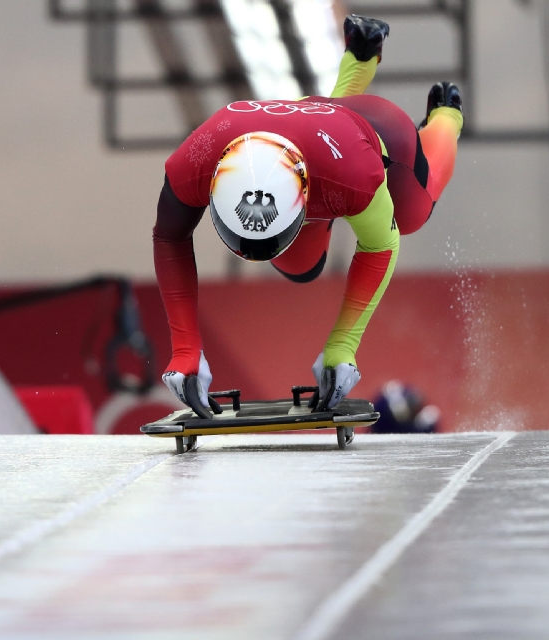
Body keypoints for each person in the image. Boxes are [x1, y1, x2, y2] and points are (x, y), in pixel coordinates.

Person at [153, 15, 464, 417]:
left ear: (303, 201)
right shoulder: (193, 161)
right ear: (212, 186)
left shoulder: (353, 179)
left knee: (412, 214)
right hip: (315, 125)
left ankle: (446, 115)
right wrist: (184, 350)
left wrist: (343, 347)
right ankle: (361, 55)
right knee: (300, 265)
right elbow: (169, 238)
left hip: (377, 135)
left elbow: (381, 243)